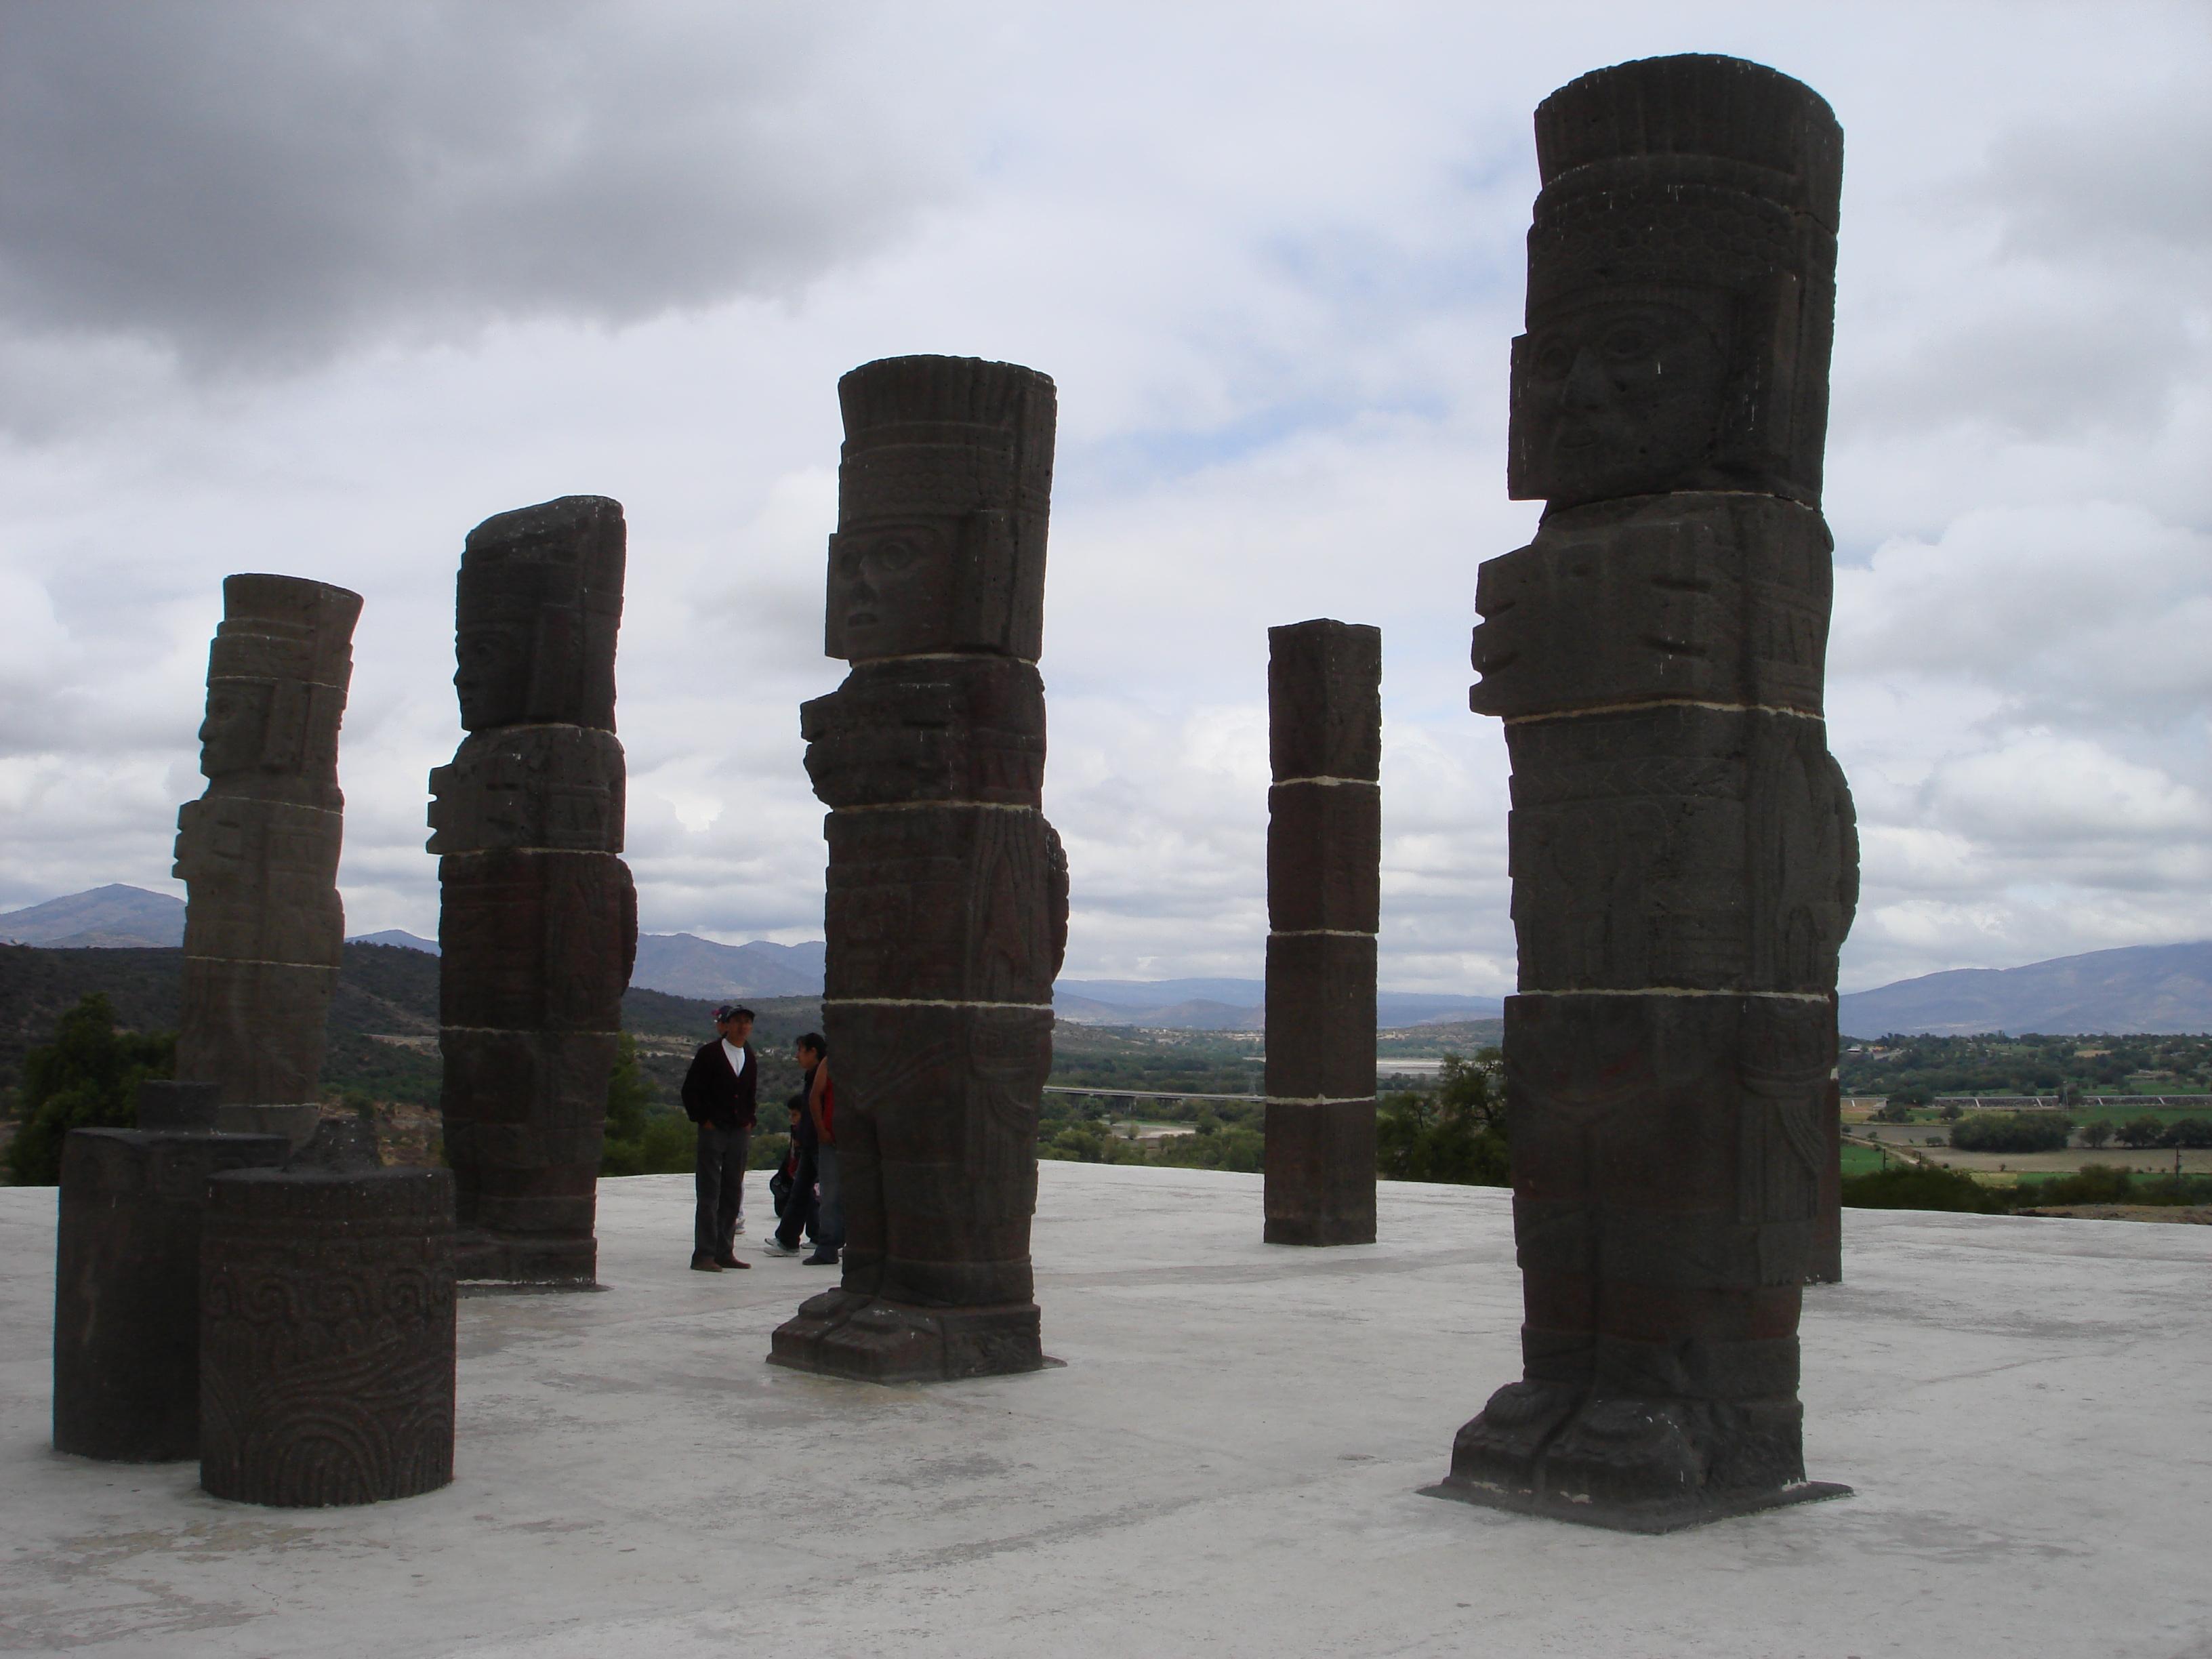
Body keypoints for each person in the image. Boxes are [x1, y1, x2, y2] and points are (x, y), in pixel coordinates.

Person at [680, 1004, 757, 1272]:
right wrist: (704, 1119)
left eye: (747, 1022)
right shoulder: (710, 1054)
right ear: (727, 1025)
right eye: (737, 1021)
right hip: (715, 1130)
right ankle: (704, 1254)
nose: (742, 1027)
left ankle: (725, 1251)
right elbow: (691, 1090)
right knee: (710, 1192)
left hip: (738, 1130)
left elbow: (750, 1092)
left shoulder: (748, 1054)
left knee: (732, 1191)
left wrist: (749, 1120)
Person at [764, 1033, 841, 1264]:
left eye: (801, 1051)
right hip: (812, 1141)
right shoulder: (814, 1073)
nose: (797, 1056)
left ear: (813, 1052)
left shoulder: (823, 1071)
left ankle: (826, 1244)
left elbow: (817, 1104)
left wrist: (821, 1132)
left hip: (821, 1141)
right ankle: (789, 1239)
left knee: (827, 1194)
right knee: (801, 1192)